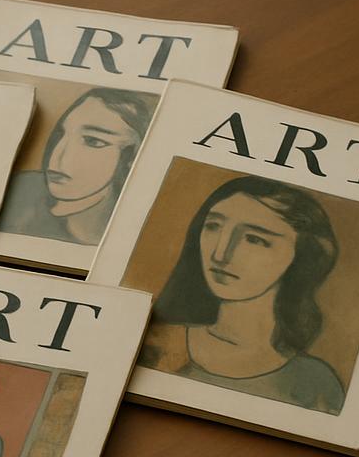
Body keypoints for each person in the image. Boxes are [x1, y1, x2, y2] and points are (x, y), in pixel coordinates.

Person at [141, 175, 346, 414]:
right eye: (214, 226)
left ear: (302, 255)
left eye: (253, 239)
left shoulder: (314, 383)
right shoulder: (154, 344)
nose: (220, 254)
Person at [0, 87, 155, 245]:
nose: (57, 156)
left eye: (93, 141)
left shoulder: (137, 229)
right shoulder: (16, 191)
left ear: (133, 157)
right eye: (61, 134)